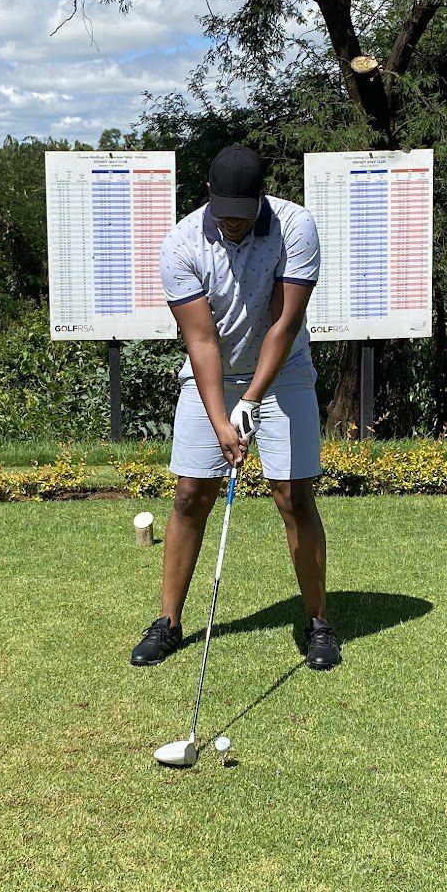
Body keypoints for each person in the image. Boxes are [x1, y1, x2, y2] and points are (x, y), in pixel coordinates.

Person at [130, 143, 341, 672]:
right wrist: (224, 418)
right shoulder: (181, 243)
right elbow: (201, 343)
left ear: (262, 199)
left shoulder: (296, 227)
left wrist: (251, 399)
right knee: (189, 493)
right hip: (213, 373)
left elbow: (283, 325)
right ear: (209, 198)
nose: (235, 227)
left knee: (293, 494)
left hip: (284, 367)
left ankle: (318, 622)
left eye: (244, 218)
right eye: (226, 216)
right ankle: (169, 623)